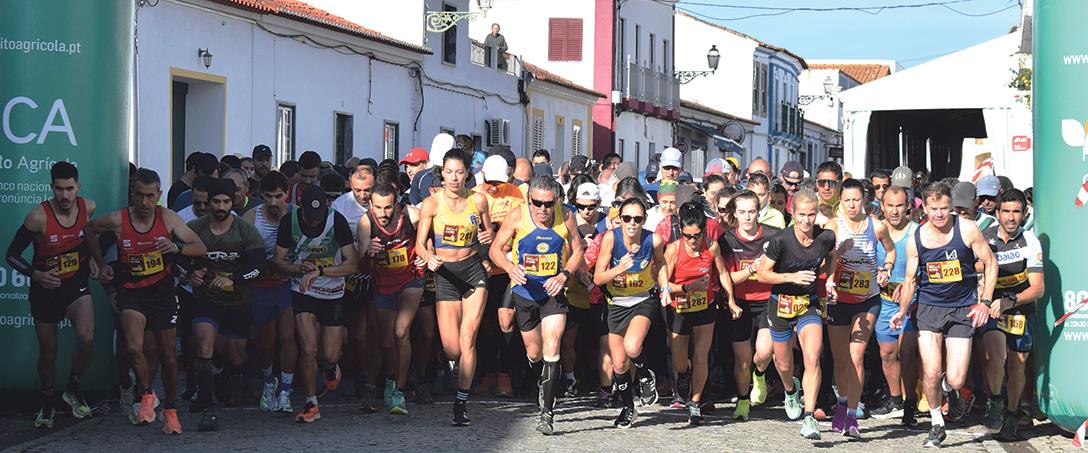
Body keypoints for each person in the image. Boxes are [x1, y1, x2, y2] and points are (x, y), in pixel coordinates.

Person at [85, 168, 206, 434]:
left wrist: (177, 248)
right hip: (131, 291)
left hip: (162, 292)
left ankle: (171, 409)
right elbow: (89, 230)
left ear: (159, 195)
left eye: (151, 196)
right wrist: (100, 262)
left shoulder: (168, 218)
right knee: (131, 346)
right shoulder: (118, 219)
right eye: (139, 196)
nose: (145, 203)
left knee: (167, 356)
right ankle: (148, 393)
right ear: (132, 194)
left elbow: (200, 246)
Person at [890, 182, 997, 448]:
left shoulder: (967, 229)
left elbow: (991, 262)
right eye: (934, 209)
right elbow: (910, 280)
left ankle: (951, 391)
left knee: (956, 377)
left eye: (944, 209)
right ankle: (937, 423)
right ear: (924, 208)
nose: (939, 214)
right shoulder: (917, 238)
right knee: (931, 371)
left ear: (952, 207)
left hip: (962, 308)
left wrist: (985, 302)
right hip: (928, 309)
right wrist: (902, 311)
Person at [489, 176, 583, 435]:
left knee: (553, 346)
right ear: (529, 199)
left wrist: (564, 274)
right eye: (537, 203)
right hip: (524, 292)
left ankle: (547, 413)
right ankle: (544, 380)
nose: (542, 209)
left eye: (548, 203)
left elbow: (578, 250)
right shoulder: (517, 216)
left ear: (557, 201)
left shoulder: (567, 217)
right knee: (535, 352)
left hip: (553, 293)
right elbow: (495, 249)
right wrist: (509, 267)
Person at [5, 162, 97, 427]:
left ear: (78, 187)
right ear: (51, 188)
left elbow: (87, 238)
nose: (65, 196)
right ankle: (47, 400)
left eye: (70, 189)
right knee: (48, 353)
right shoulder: (38, 217)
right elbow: (11, 255)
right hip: (45, 289)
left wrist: (91, 259)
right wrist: (36, 275)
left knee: (87, 337)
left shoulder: (88, 207)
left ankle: (73, 389)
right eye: (59, 189)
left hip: (74, 285)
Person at [415, 149, 494, 426]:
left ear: (467, 173)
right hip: (446, 275)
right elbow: (419, 244)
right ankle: (447, 359)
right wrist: (428, 257)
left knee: (467, 339)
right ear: (442, 173)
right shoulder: (431, 204)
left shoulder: (479, 201)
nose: (454, 177)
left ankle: (460, 403)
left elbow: (489, 237)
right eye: (449, 172)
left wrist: (487, 238)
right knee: (452, 348)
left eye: (459, 172)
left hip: (473, 272)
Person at [271, 184, 359, 423]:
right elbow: (277, 261)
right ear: (301, 209)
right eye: (309, 219)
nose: (313, 223)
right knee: (308, 348)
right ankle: (311, 403)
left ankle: (331, 369)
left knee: (329, 355)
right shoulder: (289, 222)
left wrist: (320, 271)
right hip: (303, 291)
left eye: (317, 219)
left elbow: (352, 264)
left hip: (333, 293)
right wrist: (296, 268)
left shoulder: (336, 221)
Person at [756, 188, 837, 440]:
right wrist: (791, 277)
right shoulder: (781, 240)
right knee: (783, 363)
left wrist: (831, 279)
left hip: (808, 304)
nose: (806, 221)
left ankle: (810, 417)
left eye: (811, 215)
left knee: (813, 356)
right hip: (780, 303)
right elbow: (762, 274)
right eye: (801, 214)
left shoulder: (825, 238)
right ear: (792, 213)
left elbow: (832, 256)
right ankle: (791, 391)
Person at [184, 178, 265, 429]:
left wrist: (235, 280)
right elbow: (175, 258)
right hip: (206, 301)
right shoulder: (194, 228)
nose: (221, 206)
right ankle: (206, 401)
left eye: (226, 202)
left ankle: (231, 375)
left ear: (233, 203)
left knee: (234, 355)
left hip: (238, 302)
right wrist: (190, 273)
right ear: (207, 203)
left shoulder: (245, 230)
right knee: (205, 345)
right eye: (216, 201)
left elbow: (259, 268)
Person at [824, 179, 897, 438]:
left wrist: (886, 269)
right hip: (839, 300)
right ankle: (842, 405)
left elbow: (891, 251)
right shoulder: (833, 226)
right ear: (840, 202)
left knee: (856, 357)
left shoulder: (876, 226)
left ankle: (852, 416)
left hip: (867, 299)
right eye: (847, 201)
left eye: (856, 199)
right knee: (841, 359)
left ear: (864, 199)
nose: (852, 205)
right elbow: (821, 261)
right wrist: (834, 259)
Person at [658, 201, 736, 425]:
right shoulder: (674, 249)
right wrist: (685, 288)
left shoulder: (711, 247)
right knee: (681, 363)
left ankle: (695, 402)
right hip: (679, 307)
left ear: (704, 230)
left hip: (705, 307)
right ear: (681, 231)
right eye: (688, 235)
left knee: (701, 356)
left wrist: (730, 300)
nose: (693, 241)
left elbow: (722, 273)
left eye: (697, 235)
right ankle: (684, 375)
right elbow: (663, 283)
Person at [593, 197, 665, 428]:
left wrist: (664, 288)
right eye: (627, 218)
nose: (632, 224)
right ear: (620, 220)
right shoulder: (611, 239)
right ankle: (628, 408)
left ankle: (645, 376)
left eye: (637, 219)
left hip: (642, 301)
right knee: (619, 365)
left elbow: (661, 264)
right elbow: (597, 277)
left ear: (644, 220)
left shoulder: (653, 239)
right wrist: (618, 269)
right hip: (616, 303)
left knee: (633, 346)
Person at [979, 188, 1044, 441]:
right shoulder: (985, 238)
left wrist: (1011, 301)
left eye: (1016, 212)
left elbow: (1038, 288)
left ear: (1024, 213)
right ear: (997, 213)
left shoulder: (1031, 241)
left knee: (1018, 365)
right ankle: (995, 399)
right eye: (1006, 212)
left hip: (1019, 308)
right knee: (995, 356)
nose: (1011, 217)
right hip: (993, 307)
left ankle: (1012, 413)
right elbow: (973, 268)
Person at [357, 183, 423, 415]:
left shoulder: (412, 215)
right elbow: (362, 266)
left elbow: (428, 238)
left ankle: (399, 391)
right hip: (382, 284)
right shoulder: (366, 223)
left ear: (396, 203)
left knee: (401, 332)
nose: (383, 214)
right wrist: (369, 253)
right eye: (378, 208)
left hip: (410, 280)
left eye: (387, 207)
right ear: (370, 205)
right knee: (385, 343)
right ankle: (390, 380)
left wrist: (426, 255)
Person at [718, 190, 780, 420]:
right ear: (734, 213)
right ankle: (743, 399)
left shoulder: (774, 236)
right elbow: (727, 279)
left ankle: (761, 374)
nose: (747, 217)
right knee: (742, 360)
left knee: (763, 352)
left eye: (752, 212)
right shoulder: (727, 240)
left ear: (758, 212)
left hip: (767, 300)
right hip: (740, 304)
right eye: (742, 212)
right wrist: (752, 270)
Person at [242, 171, 298, 415]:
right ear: (260, 195)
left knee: (288, 337)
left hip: (288, 284)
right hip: (261, 286)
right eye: (268, 197)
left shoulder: (297, 214)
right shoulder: (250, 218)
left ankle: (286, 389)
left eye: (278, 196)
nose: (274, 202)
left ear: (287, 193)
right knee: (266, 341)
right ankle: (268, 382)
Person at [473, 155, 525, 397]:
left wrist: (497, 234)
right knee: (484, 324)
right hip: (481, 267)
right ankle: (488, 374)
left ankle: (506, 375)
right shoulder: (473, 195)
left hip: (507, 267)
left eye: (499, 182)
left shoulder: (515, 194)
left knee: (505, 320)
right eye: (489, 181)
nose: (494, 187)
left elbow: (521, 229)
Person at [869, 185, 921, 426]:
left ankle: (911, 402)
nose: (895, 211)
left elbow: (929, 268)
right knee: (887, 353)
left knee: (907, 353)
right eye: (890, 205)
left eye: (899, 205)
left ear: (908, 206)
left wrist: (911, 285)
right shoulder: (876, 231)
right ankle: (895, 400)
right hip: (884, 302)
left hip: (912, 303)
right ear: (882, 206)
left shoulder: (917, 232)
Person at [563, 181, 611, 405]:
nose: (586, 211)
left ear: (598, 204)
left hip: (599, 291)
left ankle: (605, 385)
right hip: (573, 289)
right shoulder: (568, 222)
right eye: (581, 206)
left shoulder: (606, 224)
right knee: (569, 337)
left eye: (591, 206)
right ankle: (570, 378)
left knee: (602, 340)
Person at [815, 161, 843, 227]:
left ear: (840, 184)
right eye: (822, 182)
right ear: (816, 184)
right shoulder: (807, 204)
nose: (826, 187)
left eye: (831, 183)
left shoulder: (849, 206)